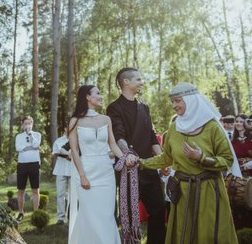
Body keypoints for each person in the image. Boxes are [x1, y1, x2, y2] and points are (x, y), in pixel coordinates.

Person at [135, 82, 239, 243]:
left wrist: (201, 158)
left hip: (208, 191)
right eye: (172, 102)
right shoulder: (174, 129)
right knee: (183, 233)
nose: (174, 106)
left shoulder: (212, 127)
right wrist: (141, 163)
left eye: (177, 101)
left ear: (190, 100)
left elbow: (227, 160)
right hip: (182, 192)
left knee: (208, 234)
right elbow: (166, 158)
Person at [68, 85, 135, 244]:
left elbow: (112, 144)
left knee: (106, 215)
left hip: (106, 172)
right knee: (89, 215)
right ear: (87, 97)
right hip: (87, 172)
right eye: (98, 93)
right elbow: (75, 150)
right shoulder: (75, 121)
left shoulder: (106, 119)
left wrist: (125, 158)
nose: (101, 96)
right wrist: (82, 175)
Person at [106, 67, 166, 244]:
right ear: (126, 82)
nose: (142, 82)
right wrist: (129, 155)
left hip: (148, 168)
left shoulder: (144, 107)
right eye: (138, 79)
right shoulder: (114, 108)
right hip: (129, 170)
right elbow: (119, 136)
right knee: (131, 216)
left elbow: (152, 136)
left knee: (159, 209)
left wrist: (162, 160)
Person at [15, 116, 42, 221]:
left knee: (35, 189)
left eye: (29, 123)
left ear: (32, 124)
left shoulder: (37, 135)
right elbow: (18, 148)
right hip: (22, 164)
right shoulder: (18, 136)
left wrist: (30, 135)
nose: (27, 125)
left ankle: (36, 213)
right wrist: (29, 147)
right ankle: (21, 212)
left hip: (34, 164)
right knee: (21, 190)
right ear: (22, 125)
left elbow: (36, 144)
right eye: (25, 124)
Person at [52, 126, 71, 225]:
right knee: (60, 194)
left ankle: (71, 216)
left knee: (72, 195)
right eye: (68, 127)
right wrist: (66, 156)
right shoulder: (58, 141)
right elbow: (55, 153)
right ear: (65, 129)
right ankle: (60, 217)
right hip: (60, 169)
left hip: (73, 170)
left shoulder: (76, 140)